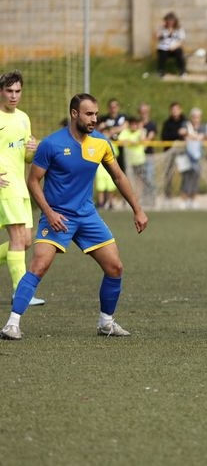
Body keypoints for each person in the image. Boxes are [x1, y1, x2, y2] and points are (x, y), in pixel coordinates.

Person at [0, 92, 148, 340]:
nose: (94, 119)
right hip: (57, 216)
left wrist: (138, 209)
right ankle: (12, 324)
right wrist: (49, 212)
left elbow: (119, 177)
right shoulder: (51, 144)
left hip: (87, 215)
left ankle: (106, 323)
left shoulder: (100, 143)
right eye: (89, 114)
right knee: (38, 266)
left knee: (115, 267)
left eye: (96, 114)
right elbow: (33, 181)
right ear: (74, 114)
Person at [0, 71, 44, 306]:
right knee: (17, 238)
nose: (14, 96)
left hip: (20, 185)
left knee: (25, 241)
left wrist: (32, 148)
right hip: (4, 184)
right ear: (1, 92)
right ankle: (20, 292)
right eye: (9, 91)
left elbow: (27, 158)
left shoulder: (24, 118)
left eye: (17, 91)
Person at [179, 107, 206, 209]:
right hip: (186, 157)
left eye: (198, 117)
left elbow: (202, 136)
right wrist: (191, 135)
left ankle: (193, 199)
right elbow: (181, 132)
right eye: (194, 117)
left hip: (198, 157)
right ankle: (184, 199)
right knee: (186, 178)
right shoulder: (186, 125)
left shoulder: (202, 127)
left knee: (195, 178)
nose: (196, 119)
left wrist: (191, 136)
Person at [160, 102, 187, 203]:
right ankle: (168, 196)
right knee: (168, 174)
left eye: (177, 109)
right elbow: (164, 136)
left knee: (185, 173)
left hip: (182, 153)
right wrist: (177, 134)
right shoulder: (167, 123)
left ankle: (184, 196)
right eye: (173, 110)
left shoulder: (185, 122)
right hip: (170, 153)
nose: (175, 112)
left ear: (180, 110)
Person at [154, 12, 186, 78]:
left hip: (174, 48)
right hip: (164, 48)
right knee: (163, 53)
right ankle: (161, 71)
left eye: (172, 20)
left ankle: (182, 71)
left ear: (175, 21)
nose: (170, 22)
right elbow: (156, 36)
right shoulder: (162, 28)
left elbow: (182, 40)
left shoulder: (179, 29)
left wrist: (175, 46)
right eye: (168, 20)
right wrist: (161, 26)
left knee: (179, 52)